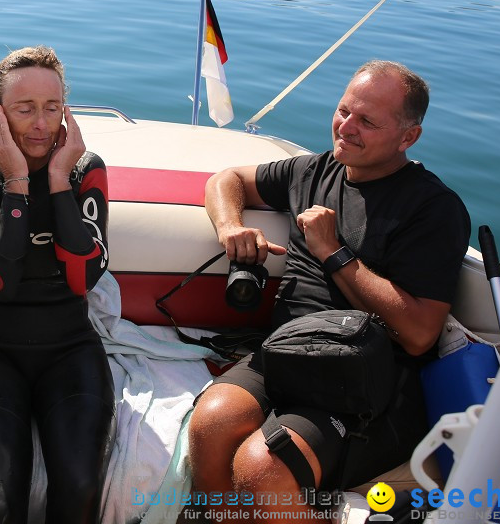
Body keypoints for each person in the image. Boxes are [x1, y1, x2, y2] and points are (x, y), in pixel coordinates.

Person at [188, 60, 471, 518]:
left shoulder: (432, 210)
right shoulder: (313, 172)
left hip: (363, 379)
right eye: (343, 111)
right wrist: (230, 226)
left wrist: (333, 252)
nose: (346, 128)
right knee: (211, 420)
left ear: (408, 137)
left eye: (367, 121)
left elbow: (419, 333)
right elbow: (227, 180)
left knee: (265, 466)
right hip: (286, 352)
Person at [0, 46, 116, 524]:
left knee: (81, 490)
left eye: (52, 107)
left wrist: (59, 181)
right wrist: (17, 182)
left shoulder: (86, 170)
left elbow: (85, 277)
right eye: (24, 109)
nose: (40, 123)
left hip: (70, 347)